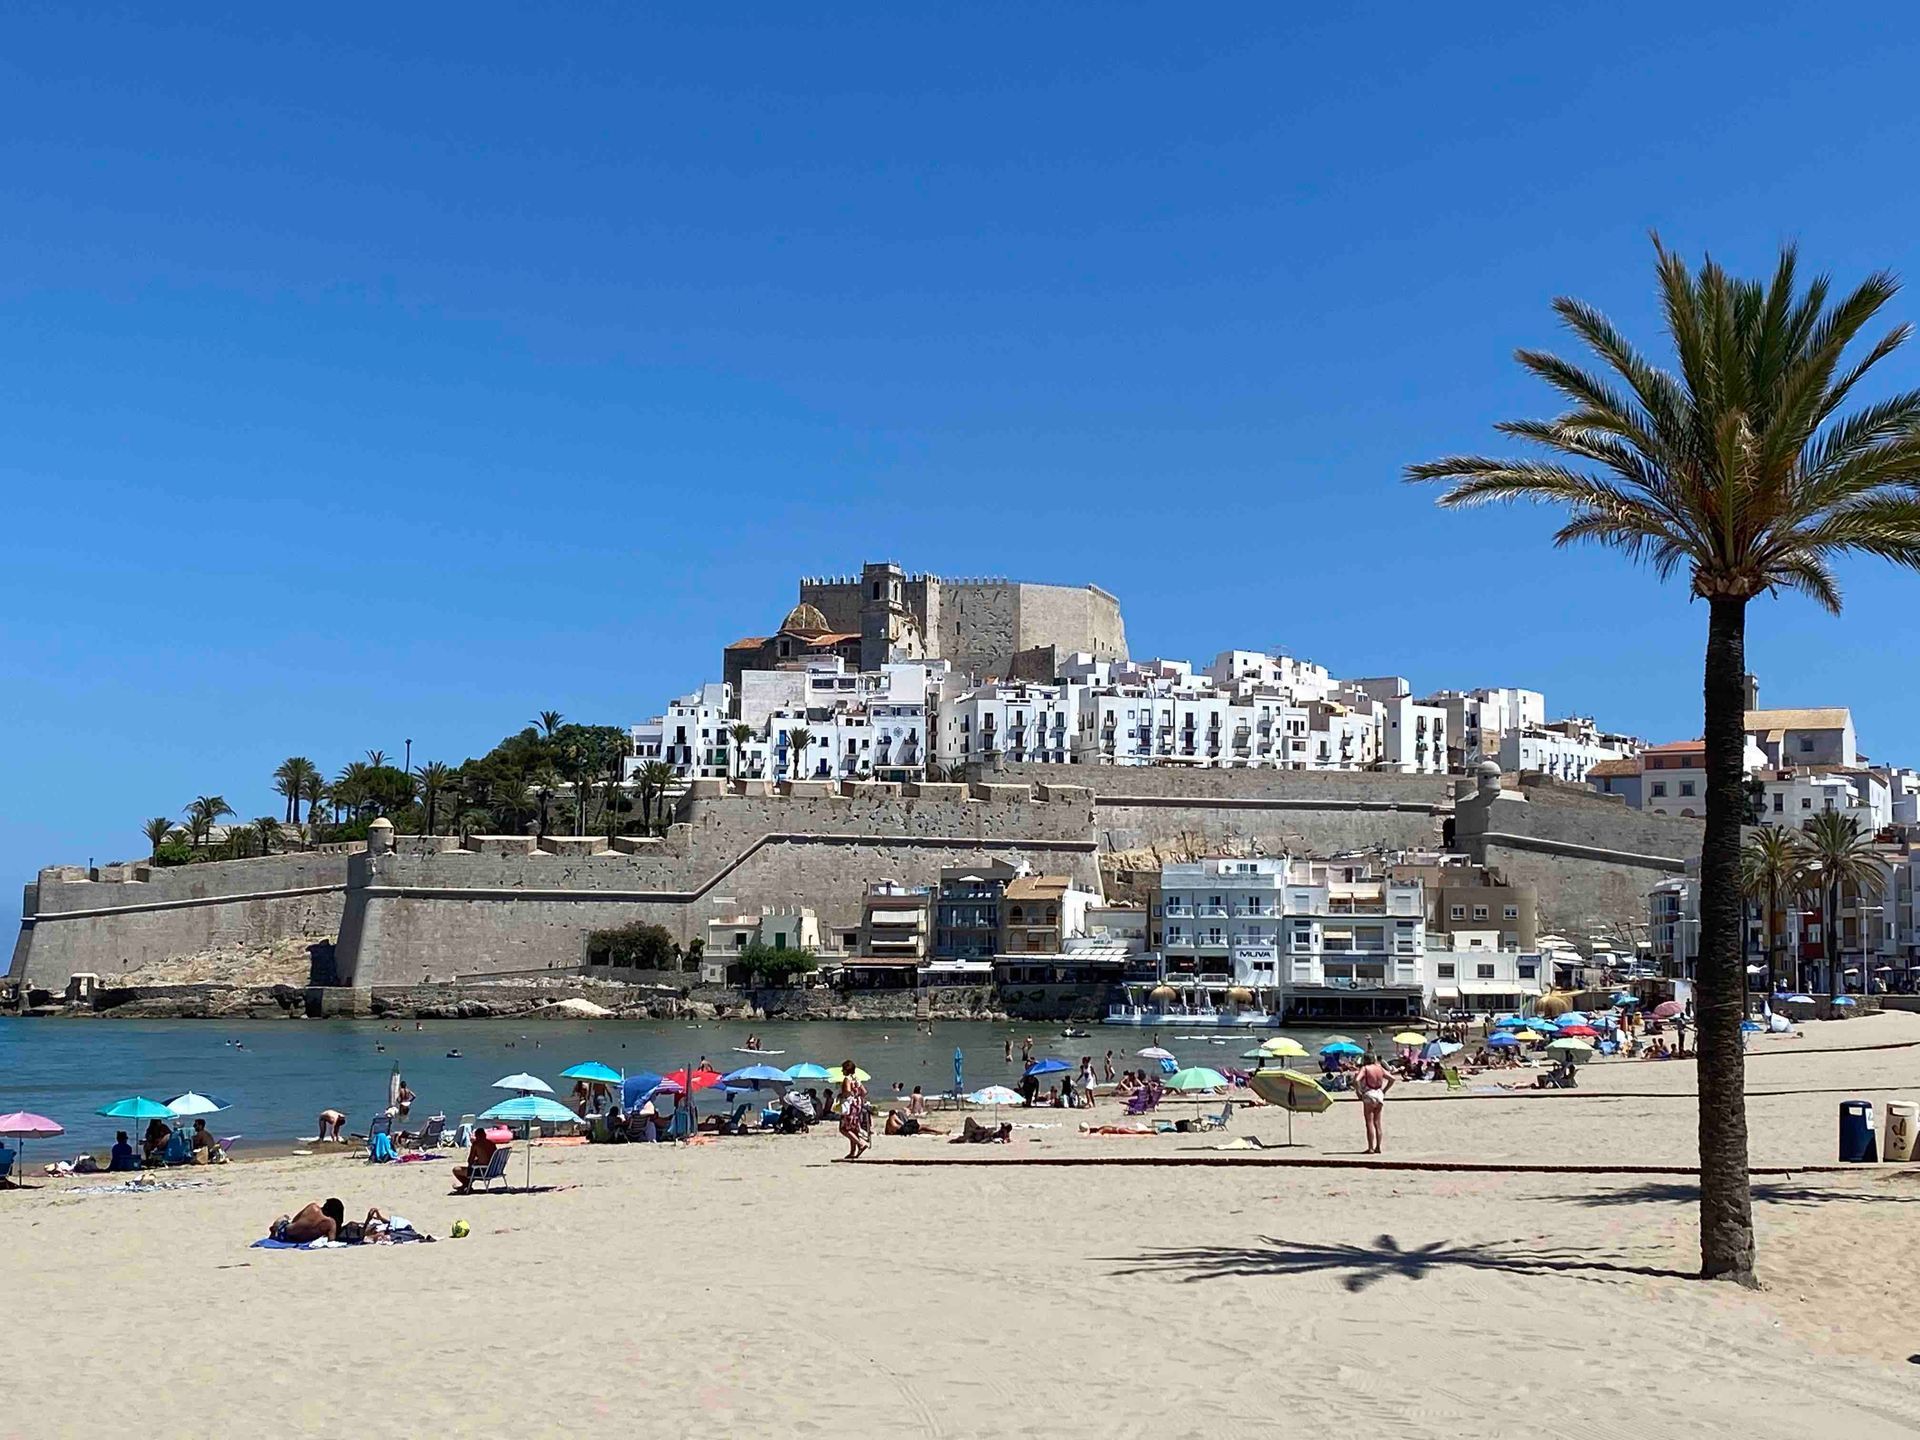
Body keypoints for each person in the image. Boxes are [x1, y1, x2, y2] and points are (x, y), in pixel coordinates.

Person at [1355, 1056, 1393, 1154]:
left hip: (1369, 1094)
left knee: (1369, 1123)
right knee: (1378, 1123)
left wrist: (1358, 1091)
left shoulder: (1365, 1068)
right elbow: (1392, 1079)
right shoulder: (1379, 1068)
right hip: (1379, 1094)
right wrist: (1384, 1090)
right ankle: (1378, 1147)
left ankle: (1371, 1148)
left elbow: (1357, 1080)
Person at [270, 1198, 345, 1244]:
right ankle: (276, 1226)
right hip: (301, 1240)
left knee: (285, 1218)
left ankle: (276, 1227)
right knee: (285, 1219)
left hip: (284, 1234)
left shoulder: (312, 1207)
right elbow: (331, 1242)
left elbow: (295, 1219)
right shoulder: (331, 1224)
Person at [837, 1059, 870, 1160]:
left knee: (844, 1128)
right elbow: (864, 1092)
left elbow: (847, 1091)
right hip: (857, 1105)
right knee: (853, 1128)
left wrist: (841, 1095)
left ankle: (860, 1144)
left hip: (850, 1105)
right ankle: (852, 1151)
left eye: (843, 1069)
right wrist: (857, 1096)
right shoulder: (857, 1079)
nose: (842, 1071)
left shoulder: (847, 1079)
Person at [452, 1127, 501, 1193]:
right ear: (485, 1135)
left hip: (483, 1171)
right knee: (473, 1168)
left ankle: (466, 1185)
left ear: (477, 1136)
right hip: (493, 1170)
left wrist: (475, 1161)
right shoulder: (491, 1144)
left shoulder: (476, 1144)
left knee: (456, 1169)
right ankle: (466, 1185)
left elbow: (470, 1160)